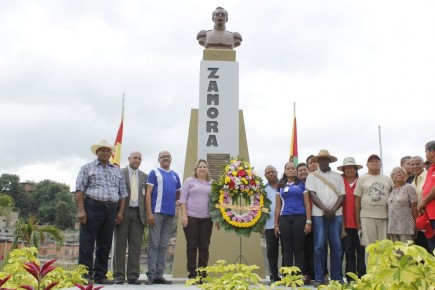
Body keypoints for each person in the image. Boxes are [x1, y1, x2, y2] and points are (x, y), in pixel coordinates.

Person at [75, 140, 128, 285]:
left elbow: (123, 193)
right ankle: (85, 275)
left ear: (111, 153)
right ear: (97, 152)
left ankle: (100, 275)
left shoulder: (117, 170)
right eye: (102, 150)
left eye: (108, 150)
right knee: (87, 242)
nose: (105, 152)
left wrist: (120, 212)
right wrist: (81, 210)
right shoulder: (87, 168)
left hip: (111, 209)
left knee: (105, 244)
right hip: (92, 206)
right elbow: (79, 189)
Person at [305, 149, 345, 287]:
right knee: (319, 247)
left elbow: (342, 195)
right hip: (319, 215)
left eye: (325, 159)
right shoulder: (312, 176)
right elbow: (312, 195)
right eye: (321, 159)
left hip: (336, 215)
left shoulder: (337, 176)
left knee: (337, 247)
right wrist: (325, 209)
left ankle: (337, 278)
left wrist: (333, 209)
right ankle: (319, 278)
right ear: (318, 161)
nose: (323, 161)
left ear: (329, 161)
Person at [145, 150, 181, 285]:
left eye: (168, 156)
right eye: (163, 156)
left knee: (163, 245)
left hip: (170, 214)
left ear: (171, 159)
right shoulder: (154, 173)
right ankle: (151, 275)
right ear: (158, 159)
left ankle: (159, 275)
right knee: (154, 244)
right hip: (156, 212)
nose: (165, 158)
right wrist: (149, 213)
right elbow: (148, 193)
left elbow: (178, 194)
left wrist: (173, 205)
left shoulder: (175, 175)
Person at [113, 151, 147, 285]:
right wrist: (117, 212)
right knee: (120, 245)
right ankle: (119, 276)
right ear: (129, 159)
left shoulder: (145, 176)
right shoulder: (119, 173)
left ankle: (133, 276)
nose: (137, 160)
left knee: (136, 246)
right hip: (122, 212)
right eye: (135, 158)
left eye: (139, 158)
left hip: (138, 214)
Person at [275, 162, 311, 281]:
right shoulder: (280, 186)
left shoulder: (302, 185)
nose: (291, 170)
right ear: (285, 171)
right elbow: (278, 207)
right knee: (287, 249)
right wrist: (276, 224)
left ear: (296, 171)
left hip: (300, 218)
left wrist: (308, 221)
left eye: (293, 168)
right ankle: (288, 277)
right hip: (285, 218)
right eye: (288, 168)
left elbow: (307, 205)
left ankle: (298, 276)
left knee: (299, 248)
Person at [354, 154, 394, 261]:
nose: (374, 163)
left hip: (384, 217)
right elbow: (357, 201)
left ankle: (384, 272)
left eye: (377, 161)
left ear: (381, 164)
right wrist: (358, 222)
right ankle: (371, 273)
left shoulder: (388, 179)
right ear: (367, 165)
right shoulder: (362, 179)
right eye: (372, 161)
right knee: (370, 246)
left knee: (385, 246)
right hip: (367, 216)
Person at [180, 159, 213, 280]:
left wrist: (217, 218)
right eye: (200, 167)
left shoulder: (212, 183)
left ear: (207, 169)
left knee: (204, 247)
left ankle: (202, 275)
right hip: (191, 218)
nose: (202, 169)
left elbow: (216, 202)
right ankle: (192, 275)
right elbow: (183, 199)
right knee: (192, 246)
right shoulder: (189, 181)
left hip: (207, 219)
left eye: (204, 167)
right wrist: (184, 216)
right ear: (196, 169)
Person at [337, 157, 366, 280]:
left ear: (356, 169)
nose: (349, 170)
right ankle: (350, 278)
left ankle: (363, 276)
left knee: (361, 250)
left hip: (361, 222)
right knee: (348, 251)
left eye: (351, 168)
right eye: (346, 168)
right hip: (345, 223)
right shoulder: (339, 181)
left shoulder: (362, 181)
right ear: (343, 170)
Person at [388, 167, 418, 242]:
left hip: (406, 225)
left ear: (405, 176)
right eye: (396, 172)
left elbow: (414, 206)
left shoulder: (409, 187)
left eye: (401, 172)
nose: (399, 174)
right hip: (392, 225)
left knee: (406, 250)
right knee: (396, 251)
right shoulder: (392, 189)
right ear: (392, 177)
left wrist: (417, 222)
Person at [263, 165, 281, 283]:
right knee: (271, 252)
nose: (270, 173)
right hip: (269, 224)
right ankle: (274, 276)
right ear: (265, 175)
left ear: (276, 172)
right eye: (268, 172)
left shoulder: (283, 186)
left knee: (287, 250)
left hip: (285, 223)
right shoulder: (263, 190)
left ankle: (287, 274)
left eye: (272, 171)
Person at [297, 162, 313, 285]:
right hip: (302, 219)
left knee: (317, 247)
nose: (303, 172)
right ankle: (306, 274)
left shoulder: (314, 182)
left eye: (304, 169)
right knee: (303, 247)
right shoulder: (296, 186)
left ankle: (320, 273)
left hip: (317, 217)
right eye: (300, 170)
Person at [417, 141, 435, 252]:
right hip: (430, 215)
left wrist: (423, 201)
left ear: (433, 152)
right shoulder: (431, 168)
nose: (425, 154)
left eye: (426, 151)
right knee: (433, 249)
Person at [410, 156, 430, 251]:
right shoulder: (413, 181)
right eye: (412, 164)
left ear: (423, 164)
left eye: (417, 164)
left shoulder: (429, 176)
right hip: (420, 219)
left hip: (430, 216)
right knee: (423, 249)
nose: (415, 166)